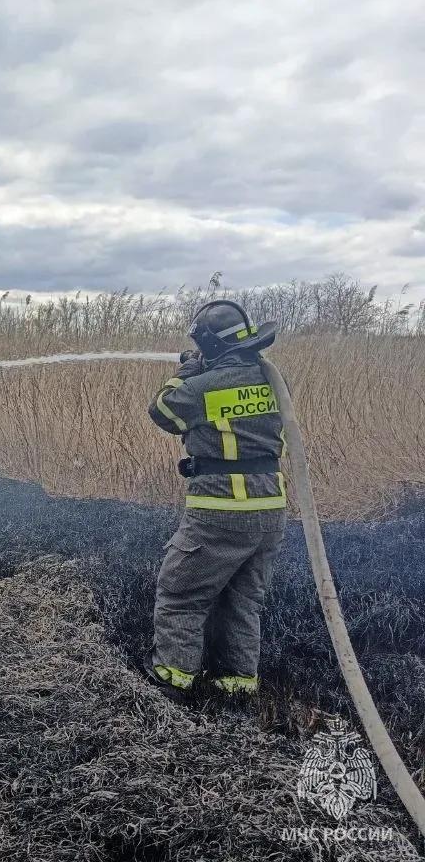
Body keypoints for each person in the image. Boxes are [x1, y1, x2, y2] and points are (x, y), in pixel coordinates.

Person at [143, 299, 287, 699]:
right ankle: (236, 682)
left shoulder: (202, 386)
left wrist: (188, 371)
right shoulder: (271, 380)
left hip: (222, 508)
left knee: (181, 591)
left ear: (209, 346)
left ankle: (173, 677)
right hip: (270, 508)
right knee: (243, 599)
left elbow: (162, 410)